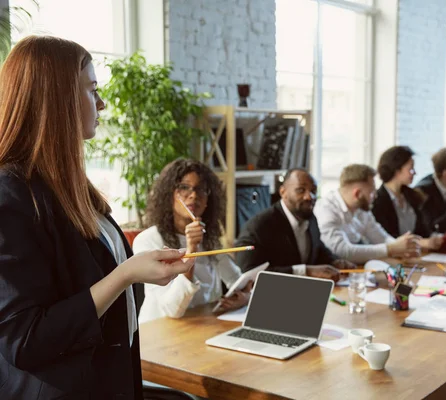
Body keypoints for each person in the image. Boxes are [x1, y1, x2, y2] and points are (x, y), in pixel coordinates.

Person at [0, 36, 191, 399]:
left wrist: (139, 270)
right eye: (92, 90)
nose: (102, 103)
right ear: (57, 100)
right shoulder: (10, 195)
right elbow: (24, 340)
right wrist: (127, 274)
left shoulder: (73, 188)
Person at [133, 159, 250, 322]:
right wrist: (191, 249)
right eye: (184, 187)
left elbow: (237, 281)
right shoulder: (149, 240)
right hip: (160, 332)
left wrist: (244, 296)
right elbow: (172, 309)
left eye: (201, 189)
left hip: (201, 325)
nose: (194, 195)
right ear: (170, 194)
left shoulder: (209, 238)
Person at [236, 169, 355, 281]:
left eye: (313, 190)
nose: (309, 197)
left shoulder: (309, 216)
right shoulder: (258, 226)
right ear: (283, 192)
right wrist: (305, 271)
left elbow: (317, 247)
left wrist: (334, 261)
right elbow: (248, 273)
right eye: (301, 190)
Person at [314, 164, 421, 264]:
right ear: (357, 193)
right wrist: (391, 249)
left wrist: (401, 247)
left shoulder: (362, 209)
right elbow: (342, 251)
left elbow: (381, 237)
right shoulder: (326, 209)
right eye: (372, 192)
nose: (375, 196)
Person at [372, 146, 444, 250]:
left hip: (416, 255)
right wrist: (421, 243)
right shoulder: (378, 201)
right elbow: (385, 238)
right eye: (411, 169)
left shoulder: (413, 196)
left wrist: (435, 239)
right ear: (396, 170)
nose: (414, 173)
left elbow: (423, 231)